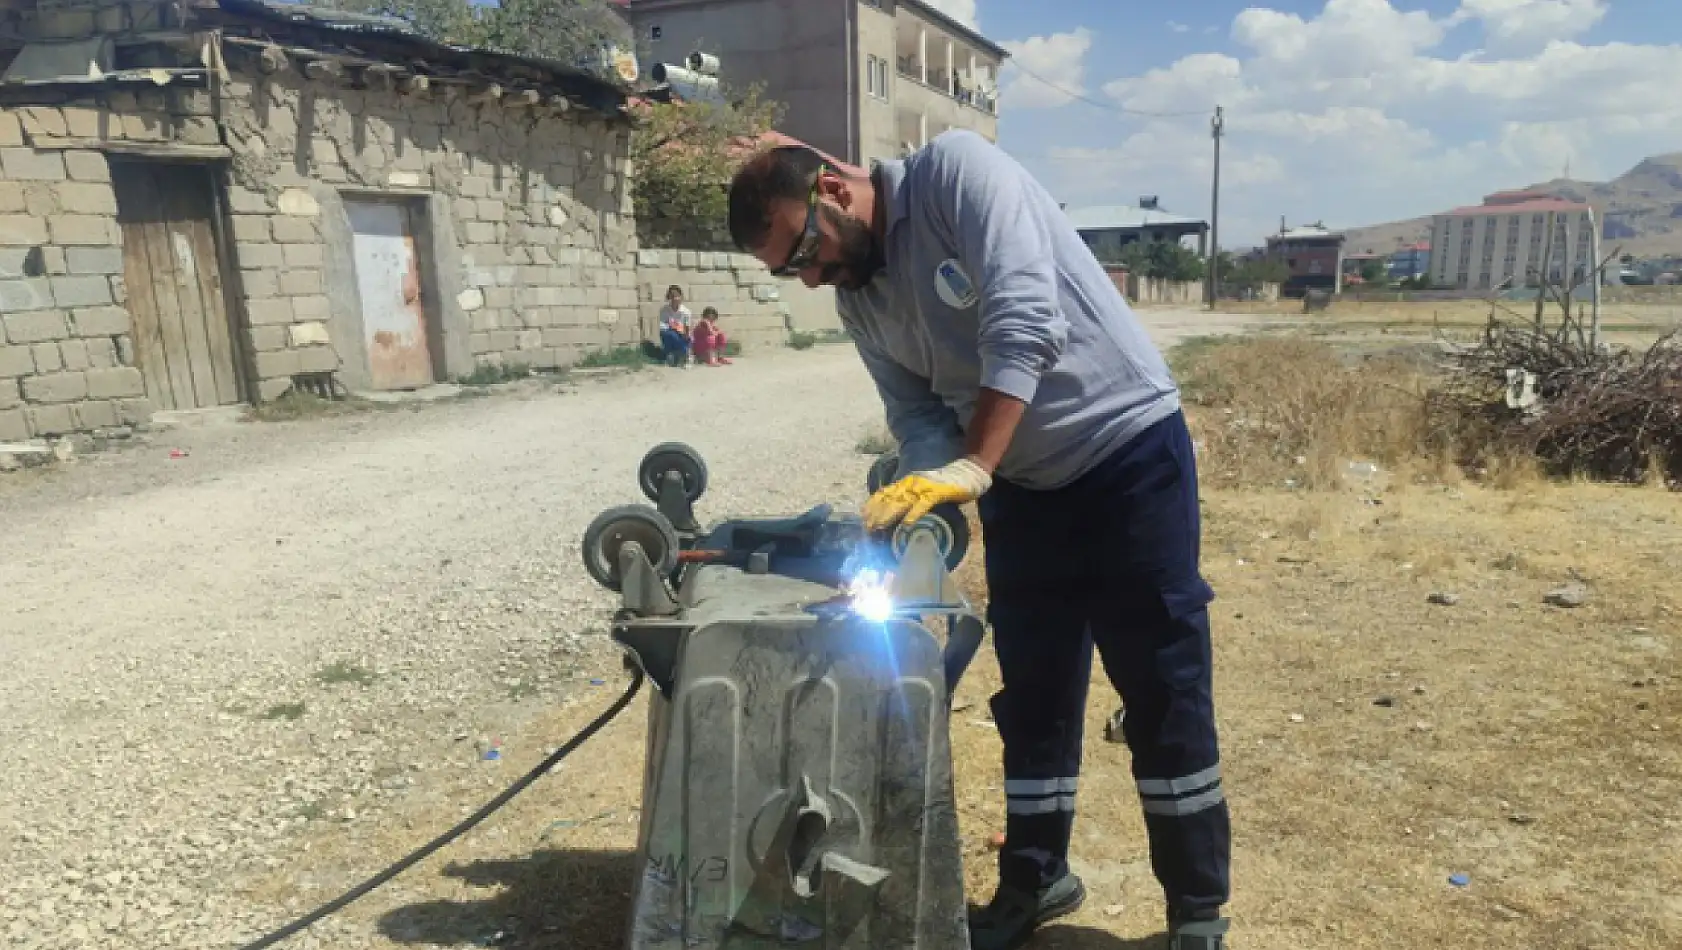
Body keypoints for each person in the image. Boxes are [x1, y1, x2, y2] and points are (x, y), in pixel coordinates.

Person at [726, 132, 1232, 950]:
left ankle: (1197, 911)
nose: (813, 277)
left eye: (807, 249)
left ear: (834, 187)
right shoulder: (862, 299)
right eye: (793, 272)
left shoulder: (958, 175)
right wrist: (927, 492)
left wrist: (971, 467)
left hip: (1126, 454)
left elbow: (1026, 321)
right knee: (1032, 690)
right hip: (1020, 485)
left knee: (1161, 684)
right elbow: (919, 416)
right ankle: (1036, 878)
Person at [658, 284, 693, 367]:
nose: (674, 299)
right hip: (669, 333)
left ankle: (679, 355)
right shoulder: (664, 310)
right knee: (670, 334)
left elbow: (687, 328)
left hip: (682, 334)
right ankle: (682, 353)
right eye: (672, 296)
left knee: (685, 337)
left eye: (677, 296)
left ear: (681, 297)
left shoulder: (686, 312)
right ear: (668, 298)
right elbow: (662, 326)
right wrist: (673, 327)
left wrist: (681, 330)